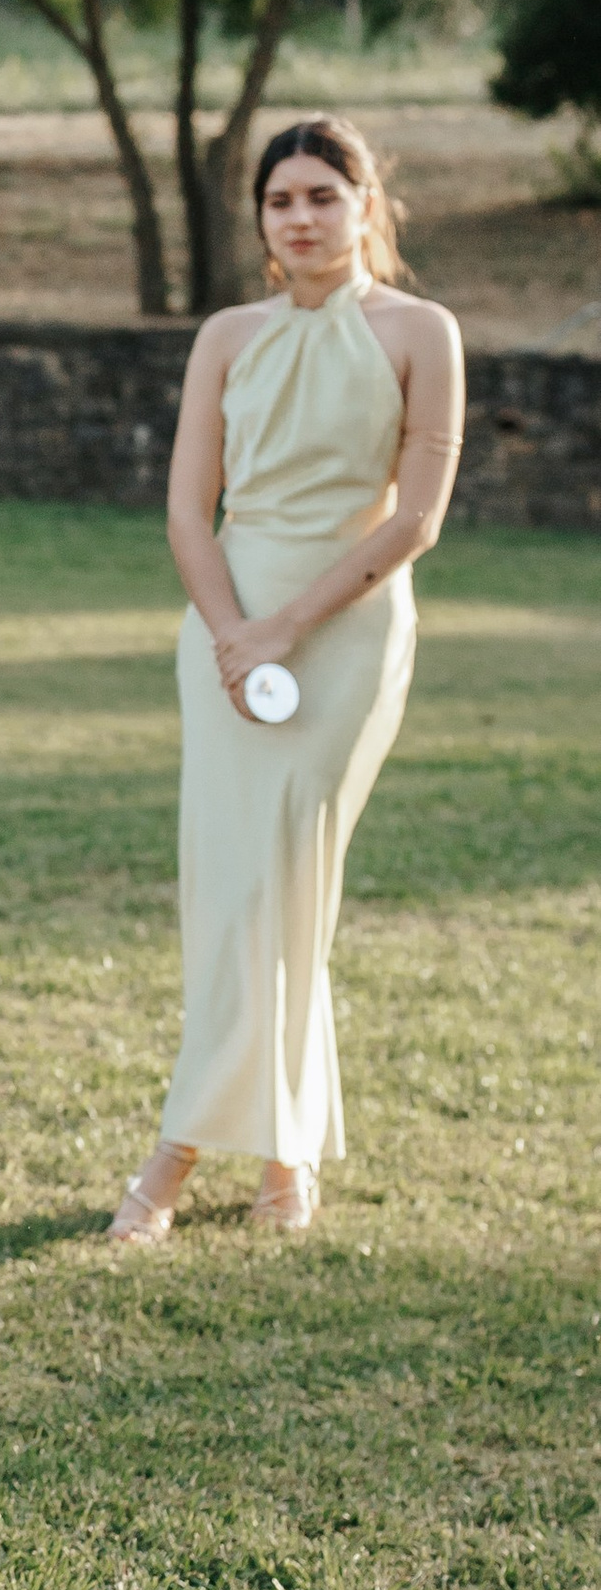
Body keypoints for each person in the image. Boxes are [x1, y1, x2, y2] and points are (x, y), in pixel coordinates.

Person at [108, 113, 463, 1243]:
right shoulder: (227, 334)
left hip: (345, 636)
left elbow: (416, 518)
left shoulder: (422, 331)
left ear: (366, 205)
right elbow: (185, 508)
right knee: (230, 894)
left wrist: (285, 628)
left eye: (322, 195)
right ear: (259, 219)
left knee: (290, 884)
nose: (300, 218)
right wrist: (230, 631)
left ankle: (183, 1156)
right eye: (280, 201)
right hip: (224, 631)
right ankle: (277, 1158)